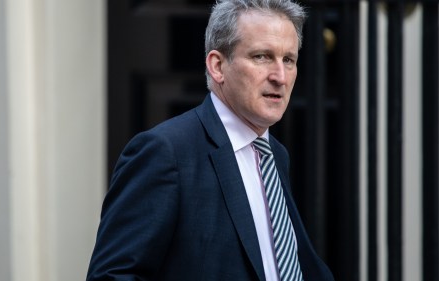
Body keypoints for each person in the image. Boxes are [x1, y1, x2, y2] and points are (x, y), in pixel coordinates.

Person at [86, 0, 334, 280]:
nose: (280, 76)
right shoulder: (165, 152)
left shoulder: (274, 153)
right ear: (217, 66)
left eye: (288, 59)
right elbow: (112, 276)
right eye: (262, 57)